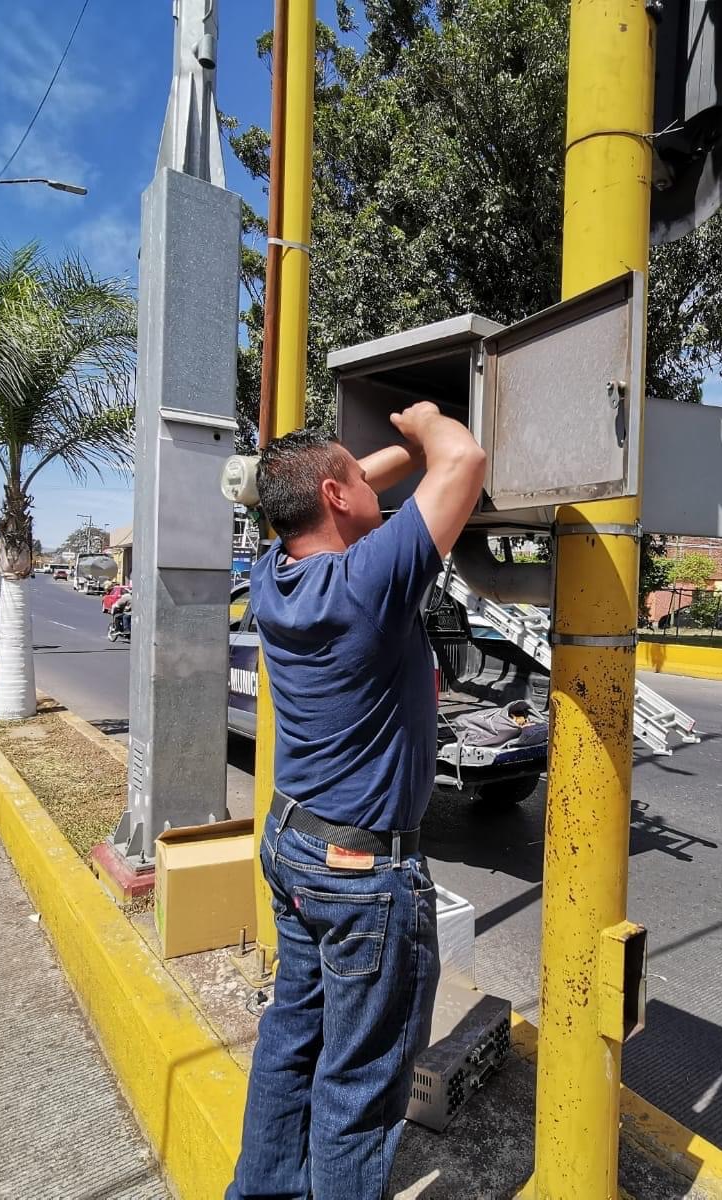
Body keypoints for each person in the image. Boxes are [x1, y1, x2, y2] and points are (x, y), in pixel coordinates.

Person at [229, 402, 486, 1200]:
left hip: (293, 844)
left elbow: (317, 494)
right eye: (351, 474)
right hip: (361, 874)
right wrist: (428, 418)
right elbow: (465, 461)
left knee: (292, 1039)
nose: (368, 479)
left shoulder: (274, 575)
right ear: (337, 500)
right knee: (359, 1085)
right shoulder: (368, 580)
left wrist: (364, 461)